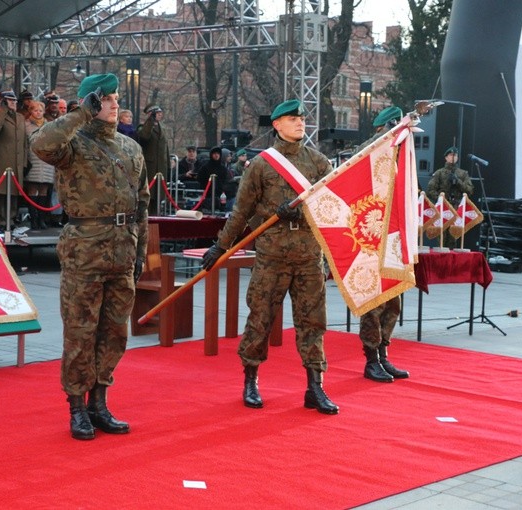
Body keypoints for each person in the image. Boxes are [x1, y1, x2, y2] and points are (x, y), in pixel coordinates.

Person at [30, 73, 150, 441]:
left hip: (122, 249)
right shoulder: (71, 143)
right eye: (106, 99)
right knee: (80, 332)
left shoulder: (130, 149)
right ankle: (77, 406)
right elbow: (40, 143)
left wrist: (141, 251)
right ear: (90, 103)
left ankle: (99, 401)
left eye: (115, 98)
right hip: (85, 247)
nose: (114, 104)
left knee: (114, 332)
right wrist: (81, 114)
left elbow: (142, 202)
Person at [201, 99, 338, 415]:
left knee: (312, 322)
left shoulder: (319, 164)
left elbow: (331, 209)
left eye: (302, 118)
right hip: (271, 256)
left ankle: (315, 387)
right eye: (293, 119)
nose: (300, 122)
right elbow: (241, 211)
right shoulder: (262, 165)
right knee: (260, 318)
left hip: (308, 257)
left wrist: (301, 214)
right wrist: (220, 246)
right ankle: (251, 379)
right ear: (277, 125)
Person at [356, 105, 409, 382]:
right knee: (373, 301)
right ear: (384, 128)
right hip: (371, 237)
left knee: (392, 302)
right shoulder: (370, 151)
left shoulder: (401, 155)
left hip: (393, 238)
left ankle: (384, 354)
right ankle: (371, 358)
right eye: (394, 127)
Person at [0, 90, 28, 230]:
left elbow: (24, 142)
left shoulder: (20, 117)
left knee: (14, 192)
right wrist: (2, 109)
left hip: (17, 160)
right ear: (4, 101)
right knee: (1, 192)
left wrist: (24, 162)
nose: (14, 103)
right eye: (10, 101)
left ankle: (10, 219)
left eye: (15, 101)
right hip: (3, 159)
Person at [425, 146, 475, 248]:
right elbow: (430, 190)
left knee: (453, 236)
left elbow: (470, 190)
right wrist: (441, 200)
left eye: (455, 155)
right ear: (446, 157)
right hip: (443, 208)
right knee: (442, 237)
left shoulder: (463, 173)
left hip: (456, 208)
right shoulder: (439, 173)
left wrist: (458, 181)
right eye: (451, 155)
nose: (453, 157)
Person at [24, 101, 54, 230]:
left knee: (43, 190)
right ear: (31, 111)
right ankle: (33, 219)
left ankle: (42, 219)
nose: (38, 113)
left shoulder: (49, 125)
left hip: (46, 161)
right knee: (32, 189)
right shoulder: (26, 125)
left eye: (40, 111)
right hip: (32, 159)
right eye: (35, 110)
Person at [137, 103, 169, 214]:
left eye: (161, 113)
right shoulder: (144, 127)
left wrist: (168, 165)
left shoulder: (162, 128)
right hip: (150, 168)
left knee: (158, 198)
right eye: (158, 113)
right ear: (151, 114)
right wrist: (150, 121)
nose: (160, 115)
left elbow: (165, 149)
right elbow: (144, 136)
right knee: (149, 197)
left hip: (160, 169)